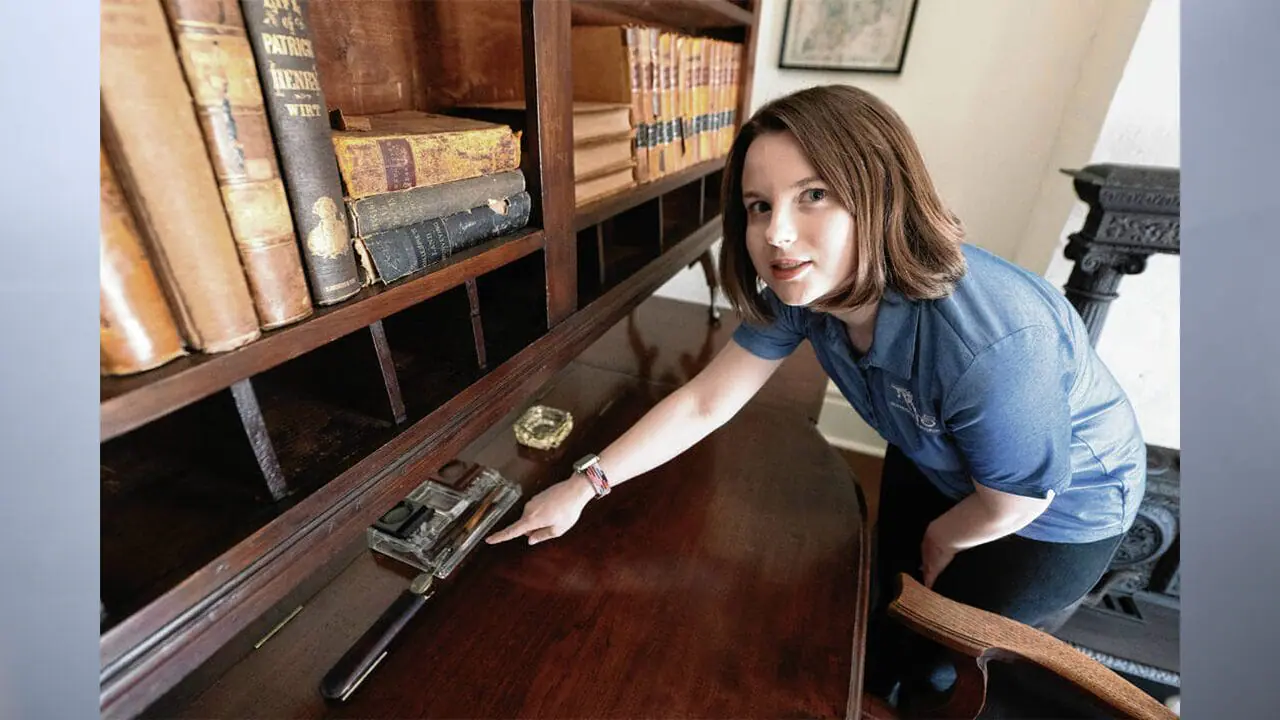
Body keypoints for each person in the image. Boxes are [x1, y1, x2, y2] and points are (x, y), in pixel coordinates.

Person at [485, 84, 1146, 709]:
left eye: (814, 195)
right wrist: (583, 485)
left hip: (1059, 510)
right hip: (943, 458)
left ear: (881, 194)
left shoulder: (991, 343)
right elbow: (704, 402)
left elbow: (1020, 498)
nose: (775, 233)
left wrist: (944, 535)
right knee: (881, 595)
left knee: (939, 655)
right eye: (759, 205)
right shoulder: (810, 292)